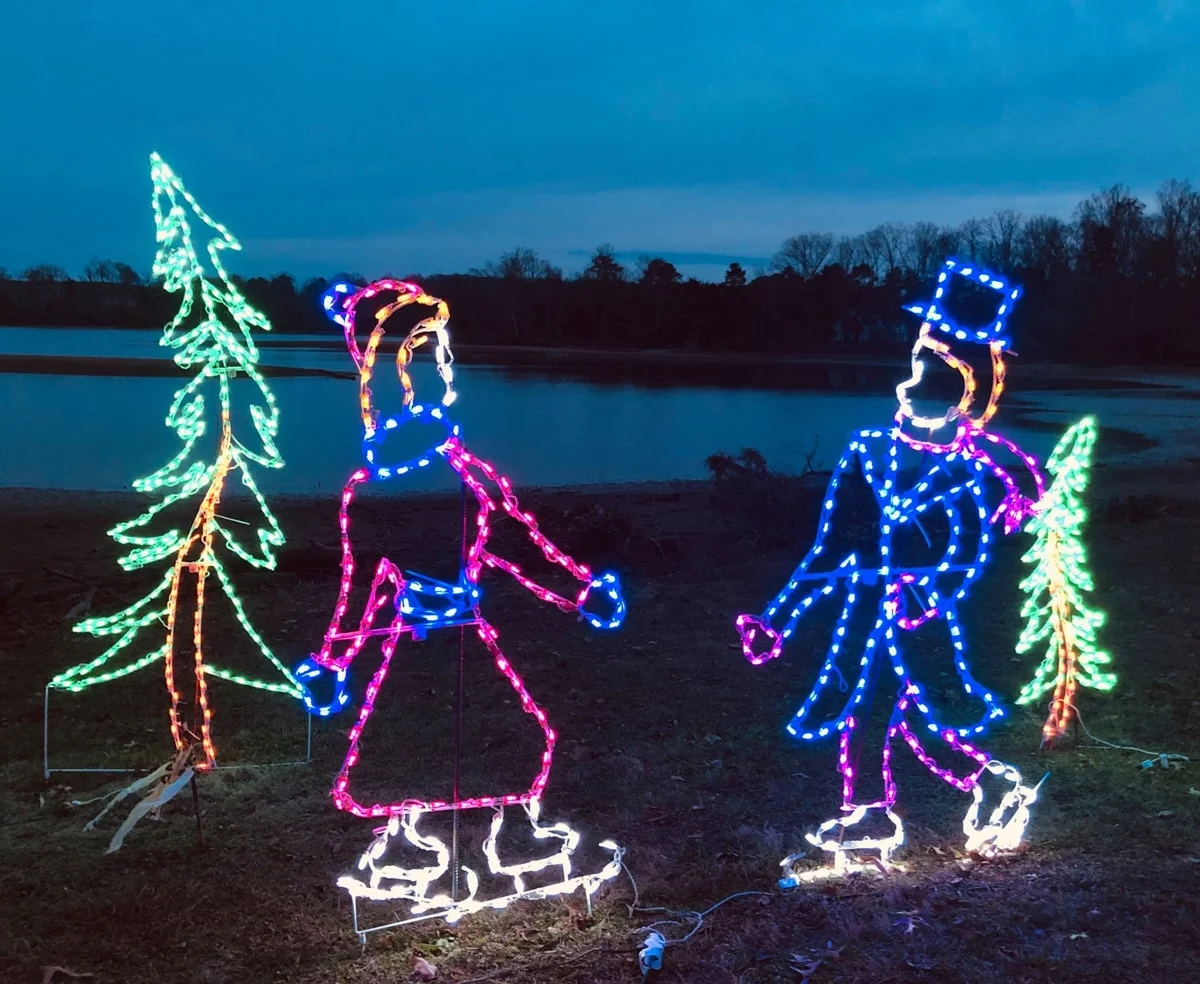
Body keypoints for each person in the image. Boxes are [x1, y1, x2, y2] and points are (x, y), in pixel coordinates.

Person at [295, 279, 626, 920]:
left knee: (516, 728)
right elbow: (359, 587)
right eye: (417, 356)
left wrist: (580, 591)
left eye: (438, 353)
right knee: (401, 738)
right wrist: (334, 661)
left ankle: (514, 829)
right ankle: (403, 844)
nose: (434, 371)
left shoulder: (467, 473)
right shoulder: (375, 492)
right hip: (414, 634)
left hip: (466, 624)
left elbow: (521, 544)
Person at [737, 259, 1045, 883]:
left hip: (921, 615)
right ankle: (893, 805)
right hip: (867, 608)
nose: (917, 377)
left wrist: (929, 597)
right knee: (870, 707)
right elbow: (832, 546)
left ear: (971, 384)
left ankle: (969, 788)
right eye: (919, 359)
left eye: (940, 367)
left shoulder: (973, 467)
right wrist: (779, 618)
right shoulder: (869, 450)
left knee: (905, 708)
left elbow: (968, 549)